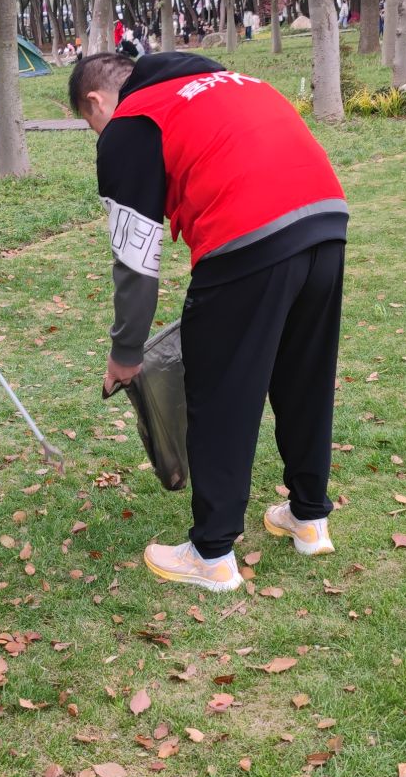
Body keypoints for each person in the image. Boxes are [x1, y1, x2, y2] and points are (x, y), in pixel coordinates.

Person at [70, 49, 348, 591]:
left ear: (96, 101)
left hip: (244, 239)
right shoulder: (237, 83)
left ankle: (212, 553)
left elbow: (135, 259)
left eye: (90, 124)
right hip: (326, 222)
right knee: (304, 377)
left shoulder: (132, 120)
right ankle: (309, 518)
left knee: (221, 393)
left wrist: (125, 352)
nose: (98, 134)